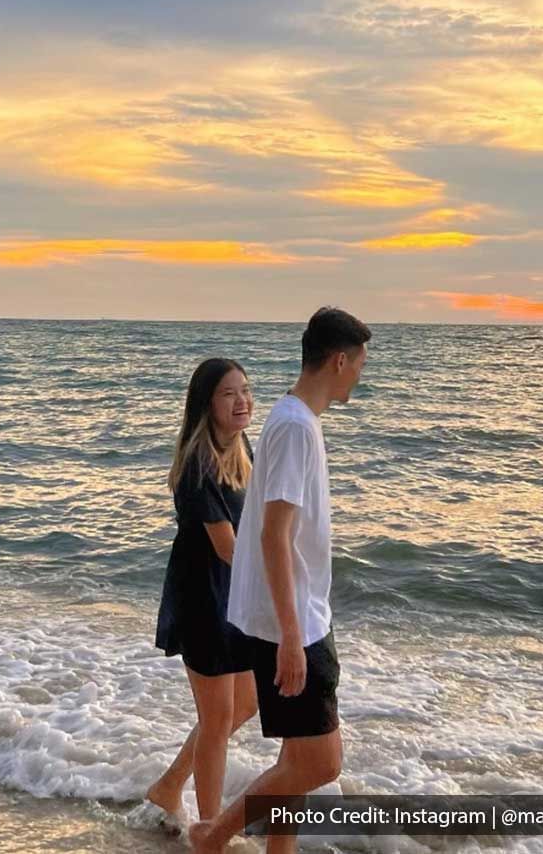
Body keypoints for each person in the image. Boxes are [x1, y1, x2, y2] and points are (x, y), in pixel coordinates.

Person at [190, 307, 371, 854]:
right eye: (360, 364)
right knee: (319, 763)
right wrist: (292, 637)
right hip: (289, 623)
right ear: (339, 360)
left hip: (297, 614)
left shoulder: (294, 419)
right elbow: (274, 534)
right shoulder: (295, 427)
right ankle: (211, 835)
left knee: (297, 761)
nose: (360, 375)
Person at [148, 358, 258, 826]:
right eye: (229, 394)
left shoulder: (240, 446)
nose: (242, 401)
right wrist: (281, 578)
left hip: (234, 596)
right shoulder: (198, 462)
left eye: (246, 391)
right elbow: (228, 548)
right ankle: (211, 830)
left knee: (246, 703)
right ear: (206, 404)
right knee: (216, 722)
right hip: (203, 599)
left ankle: (169, 785)